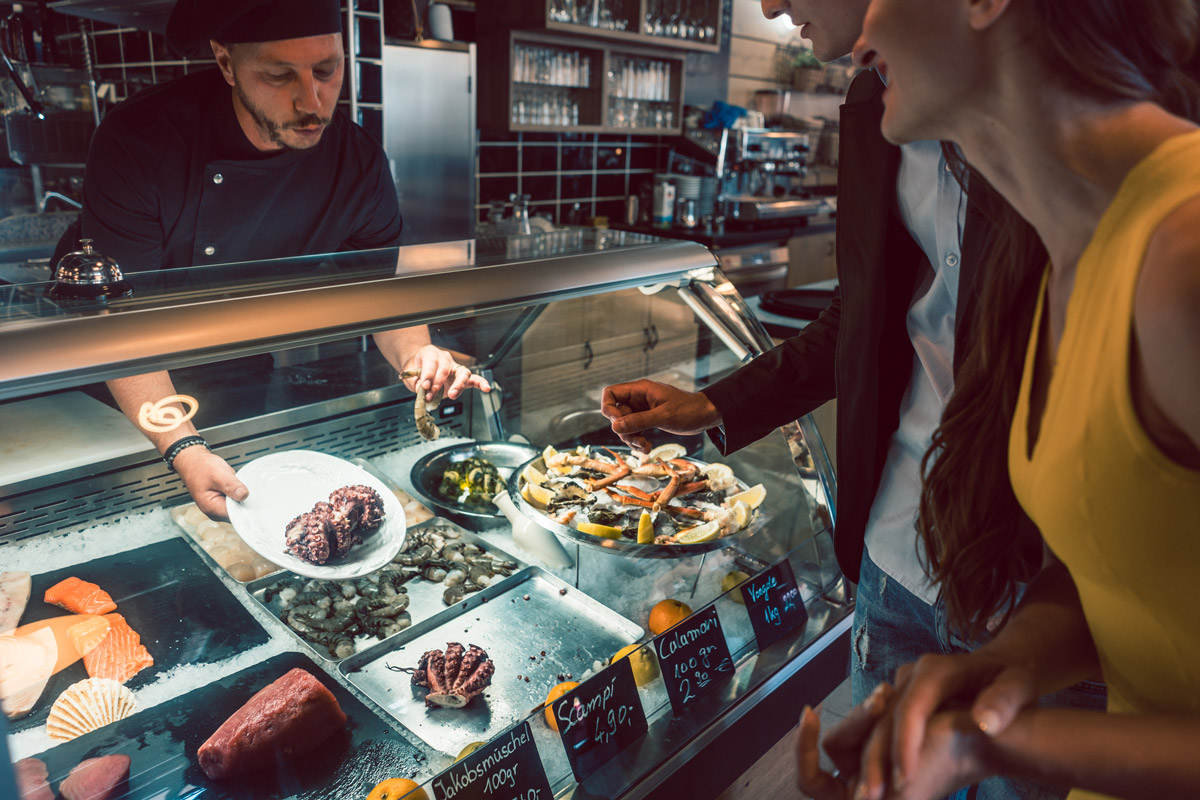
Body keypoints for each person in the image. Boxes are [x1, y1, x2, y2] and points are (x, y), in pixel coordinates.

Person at [602, 4, 1099, 797]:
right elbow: (861, 319)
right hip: (894, 559)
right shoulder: (877, 100)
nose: (766, 6)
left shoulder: (1099, 153)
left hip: (1046, 601)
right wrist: (711, 406)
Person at [793, 0, 1200, 798]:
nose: (864, 25)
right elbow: (1137, 570)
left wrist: (1003, 748)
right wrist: (1002, 667)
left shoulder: (1183, 255)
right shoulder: (1063, 253)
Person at [54, 0, 487, 520]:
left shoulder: (357, 161)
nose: (312, 100)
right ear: (226, 62)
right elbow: (117, 325)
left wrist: (420, 358)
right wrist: (182, 448)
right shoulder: (139, 141)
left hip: (241, 365)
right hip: (123, 387)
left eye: (327, 71)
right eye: (280, 75)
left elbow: (376, 295)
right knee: (126, 525)